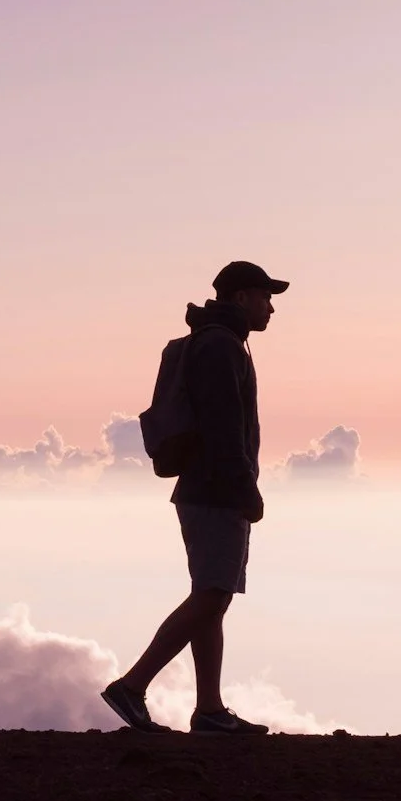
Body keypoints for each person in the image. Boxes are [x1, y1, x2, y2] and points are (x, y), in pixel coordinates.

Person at [101, 261, 286, 735]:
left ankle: (208, 710)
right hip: (215, 491)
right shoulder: (222, 348)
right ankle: (132, 685)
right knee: (212, 594)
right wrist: (247, 489)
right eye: (265, 297)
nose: (270, 308)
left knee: (212, 596)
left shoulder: (220, 343)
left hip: (204, 489)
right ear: (241, 298)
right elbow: (224, 428)